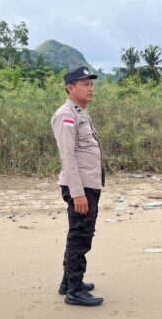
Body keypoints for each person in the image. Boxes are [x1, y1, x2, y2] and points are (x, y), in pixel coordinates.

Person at [51, 66, 105, 306]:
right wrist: (77, 194)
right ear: (70, 88)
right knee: (80, 237)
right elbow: (68, 157)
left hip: (88, 186)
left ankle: (68, 281)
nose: (90, 88)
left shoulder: (81, 112)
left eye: (91, 84)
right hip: (80, 187)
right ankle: (74, 291)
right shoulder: (67, 115)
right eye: (85, 84)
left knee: (80, 234)